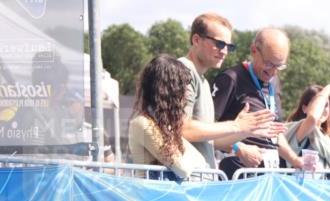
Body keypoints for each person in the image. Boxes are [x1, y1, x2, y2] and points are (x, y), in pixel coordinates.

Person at [180, 13, 283, 169]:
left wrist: (244, 133)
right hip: (185, 181)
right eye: (219, 44)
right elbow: (183, 129)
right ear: (196, 40)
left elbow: (210, 139)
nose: (224, 51)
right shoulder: (183, 71)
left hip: (200, 179)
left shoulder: (204, 82)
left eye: (229, 46)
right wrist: (237, 127)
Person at [212, 28, 303, 178]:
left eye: (279, 66)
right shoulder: (231, 78)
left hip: (271, 170)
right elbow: (208, 128)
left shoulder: (274, 81)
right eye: (269, 64)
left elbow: (275, 132)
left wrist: (295, 160)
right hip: (239, 169)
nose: (273, 72)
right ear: (254, 50)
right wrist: (238, 148)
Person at [129, 55, 212, 180]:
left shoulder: (162, 126)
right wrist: (188, 159)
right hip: (150, 197)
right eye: (182, 87)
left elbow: (201, 162)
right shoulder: (143, 123)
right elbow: (183, 169)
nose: (186, 93)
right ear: (169, 91)